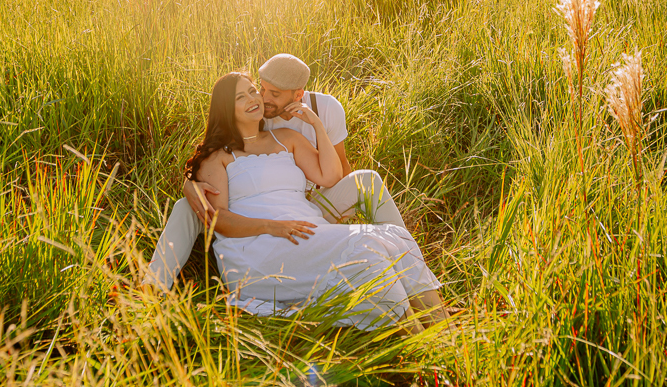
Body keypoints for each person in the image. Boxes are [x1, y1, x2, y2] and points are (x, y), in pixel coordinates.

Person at [185, 71, 448, 331]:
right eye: (240, 97)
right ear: (225, 109)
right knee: (367, 247)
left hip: (304, 231)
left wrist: (316, 125)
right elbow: (218, 219)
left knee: (395, 237)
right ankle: (421, 341)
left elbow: (330, 175)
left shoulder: (285, 138)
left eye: (253, 90)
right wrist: (272, 226)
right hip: (256, 249)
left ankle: (443, 330)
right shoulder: (217, 157)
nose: (253, 98)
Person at [143, 54, 407, 290]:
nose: (263, 99)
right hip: (256, 210)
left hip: (310, 204)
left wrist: (316, 126)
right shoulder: (259, 115)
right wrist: (189, 184)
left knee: (367, 180)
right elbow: (216, 146)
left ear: (298, 95)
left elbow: (339, 172)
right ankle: (153, 285)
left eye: (274, 94)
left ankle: (406, 252)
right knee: (186, 206)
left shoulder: (324, 109)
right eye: (261, 89)